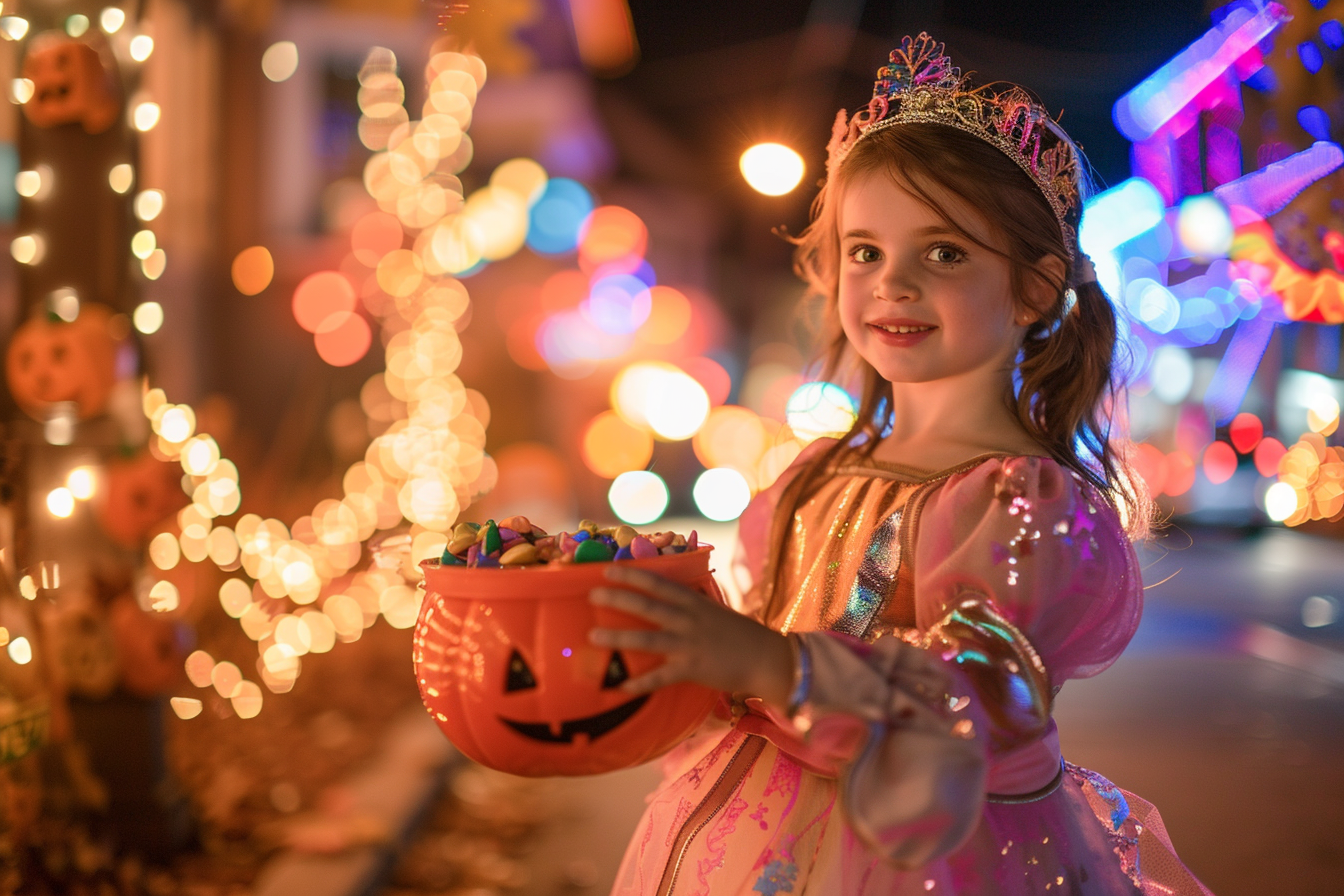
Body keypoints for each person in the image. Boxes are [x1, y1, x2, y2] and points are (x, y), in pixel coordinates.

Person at [588, 33, 1213, 895]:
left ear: (1034, 289)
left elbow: (982, 690)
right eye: (866, 251)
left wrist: (773, 667)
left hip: (934, 855)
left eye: (945, 252)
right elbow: (759, 632)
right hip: (746, 840)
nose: (893, 284)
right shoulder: (812, 475)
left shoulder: (1024, 500)